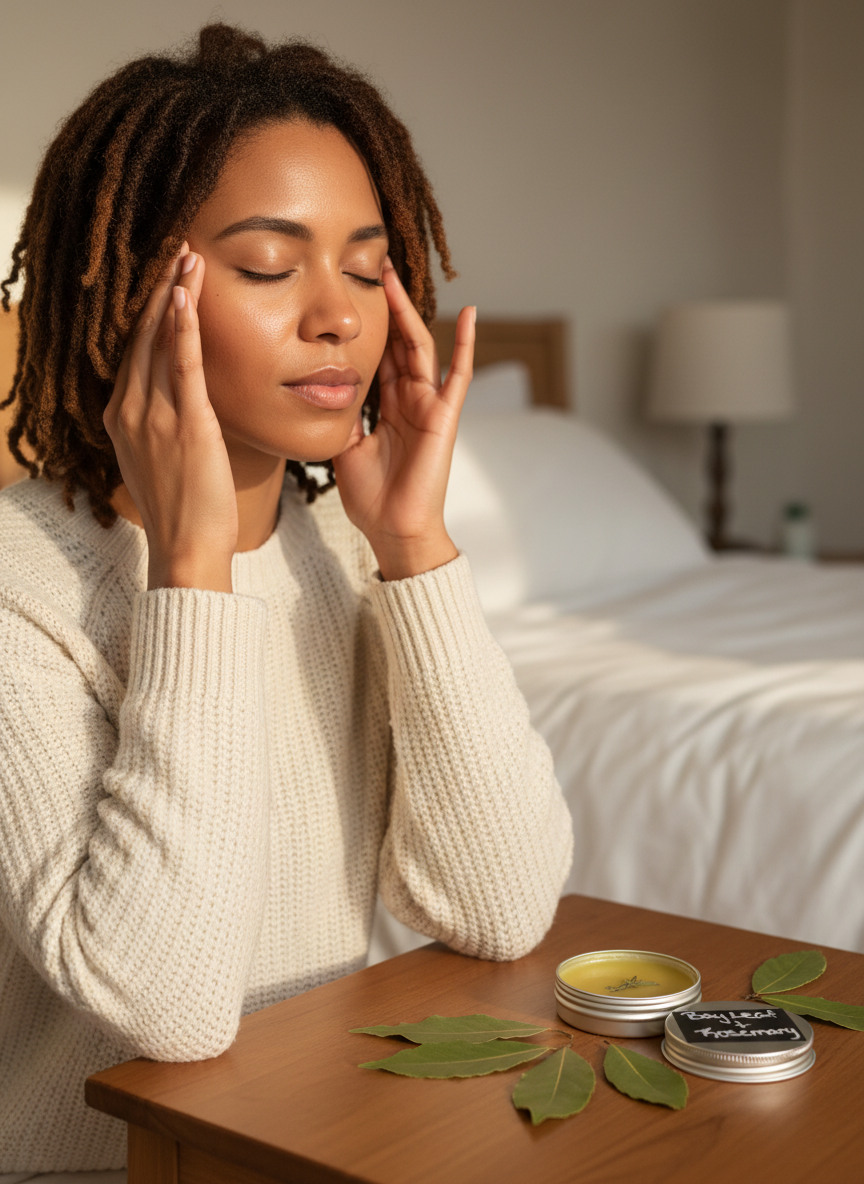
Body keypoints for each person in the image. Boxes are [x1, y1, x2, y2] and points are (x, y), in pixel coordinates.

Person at [0, 23, 573, 1180]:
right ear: (120, 289)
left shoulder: (350, 555)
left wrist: (415, 544)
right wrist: (193, 567)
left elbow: (501, 907)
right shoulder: (22, 591)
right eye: (270, 265)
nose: (341, 317)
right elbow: (167, 1005)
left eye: (367, 267)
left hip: (313, 1143)